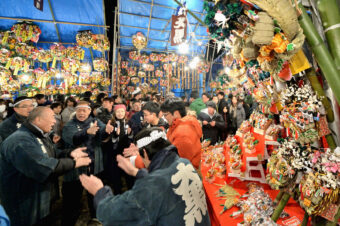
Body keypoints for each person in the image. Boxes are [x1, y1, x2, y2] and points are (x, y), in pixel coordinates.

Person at [79, 127, 210, 226]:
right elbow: (162, 183)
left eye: (141, 156)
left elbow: (115, 214)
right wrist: (137, 172)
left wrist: (100, 192)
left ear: (145, 154)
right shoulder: (184, 163)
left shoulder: (153, 185)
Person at [0, 107, 91, 226]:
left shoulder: (38, 135)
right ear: (38, 120)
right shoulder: (21, 140)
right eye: (52, 117)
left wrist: (69, 153)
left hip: (39, 199)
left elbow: (50, 154)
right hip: (24, 202)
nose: (55, 121)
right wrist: (74, 163)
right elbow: (42, 166)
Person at [61, 101, 114, 225]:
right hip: (75, 169)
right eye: (79, 110)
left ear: (90, 111)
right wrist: (86, 132)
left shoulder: (95, 121)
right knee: (72, 200)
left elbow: (101, 133)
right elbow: (73, 139)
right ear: (76, 111)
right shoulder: (70, 125)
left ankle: (96, 220)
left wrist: (106, 130)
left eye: (84, 110)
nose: (81, 113)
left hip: (94, 166)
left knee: (94, 196)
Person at [161, 97, 202, 169]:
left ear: (176, 113)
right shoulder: (182, 124)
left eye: (165, 115)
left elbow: (180, 161)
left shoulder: (182, 133)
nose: (164, 118)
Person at [106, 104, 134, 194]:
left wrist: (130, 134)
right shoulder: (111, 123)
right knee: (116, 175)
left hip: (126, 153)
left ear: (125, 112)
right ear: (114, 113)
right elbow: (108, 139)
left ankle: (131, 193)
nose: (120, 113)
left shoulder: (130, 122)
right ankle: (117, 193)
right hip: (114, 153)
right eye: (118, 111)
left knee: (128, 174)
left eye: (122, 111)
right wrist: (115, 134)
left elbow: (132, 139)